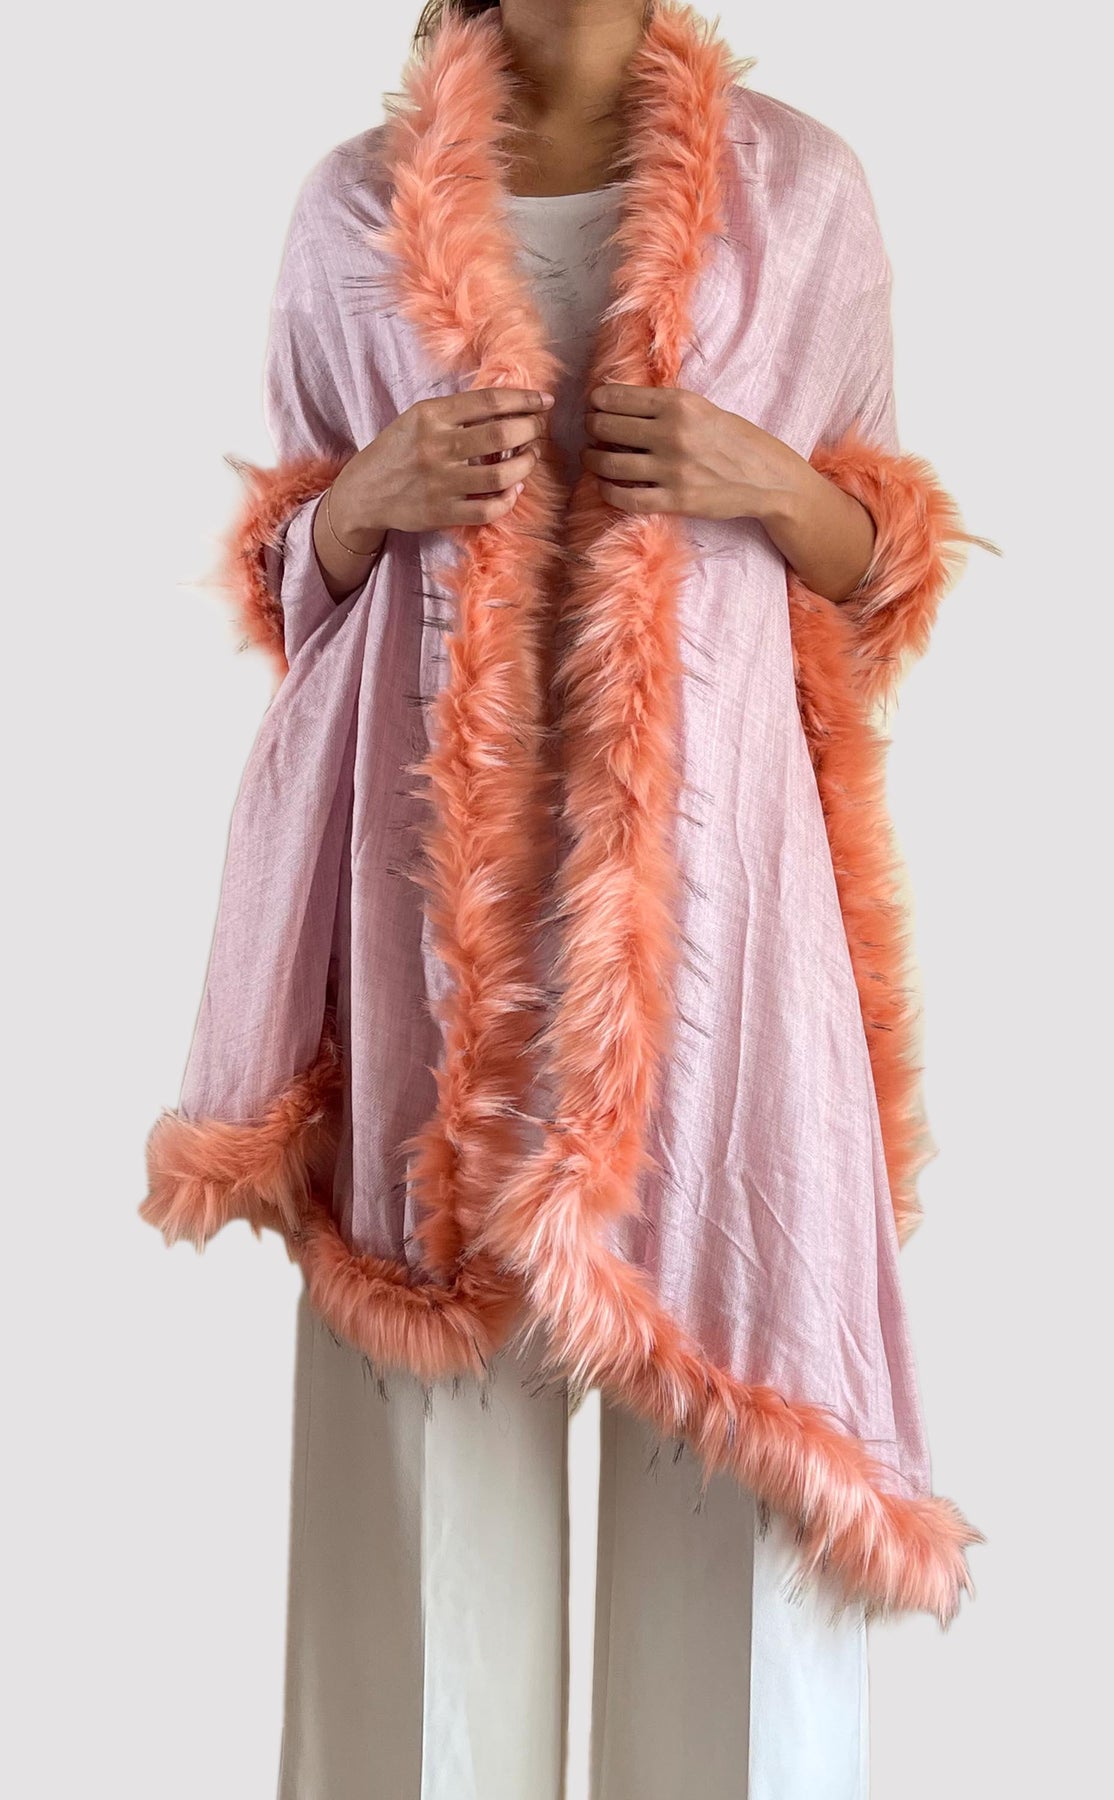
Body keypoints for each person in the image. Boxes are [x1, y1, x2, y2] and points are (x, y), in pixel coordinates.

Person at [141, 2, 989, 1793]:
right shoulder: (351, 206)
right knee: (427, 1517)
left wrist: (772, 484)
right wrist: (357, 505)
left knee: (738, 1484)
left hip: (710, 937)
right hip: (430, 948)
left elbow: (872, 582)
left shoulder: (804, 196)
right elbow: (295, 591)